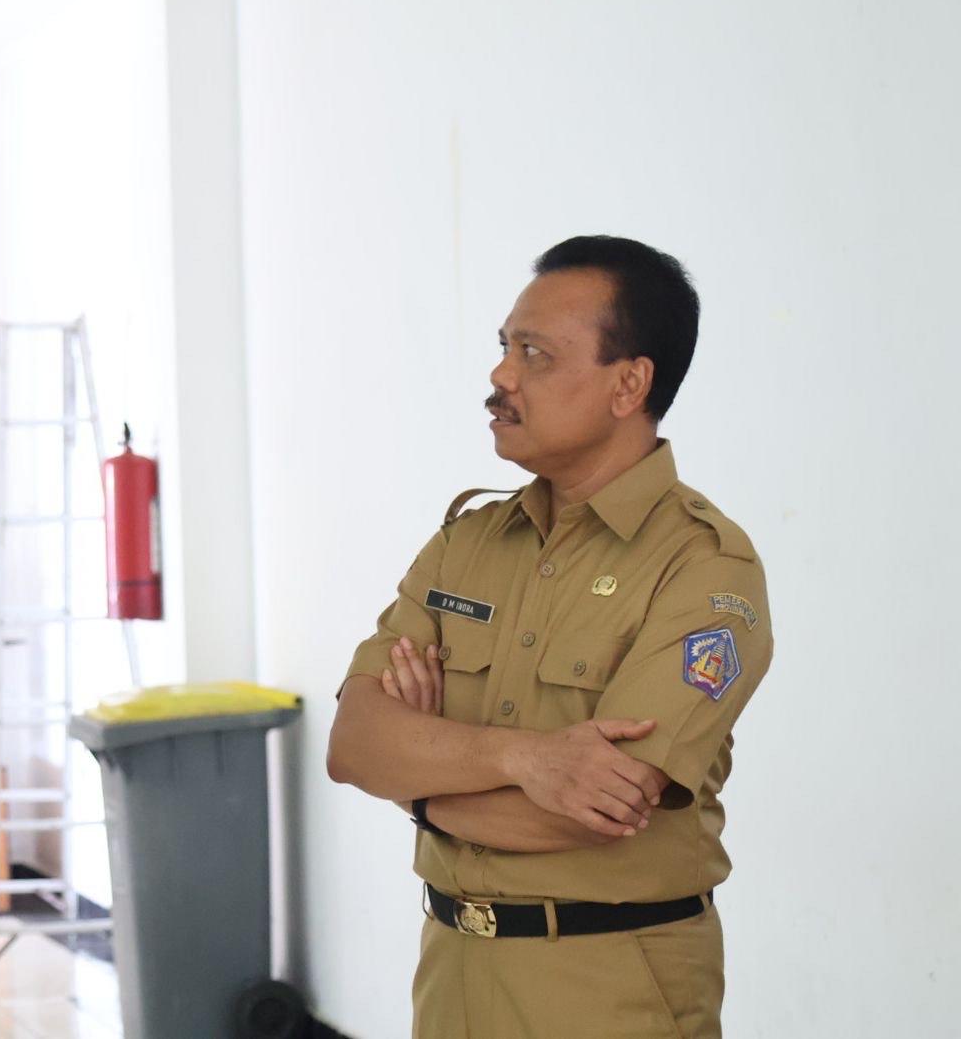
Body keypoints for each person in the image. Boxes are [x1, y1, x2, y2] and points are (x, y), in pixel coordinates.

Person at [328, 236, 772, 1039]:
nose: (502, 375)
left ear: (628, 384)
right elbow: (354, 743)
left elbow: (595, 812)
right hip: (452, 974)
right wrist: (524, 761)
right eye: (505, 347)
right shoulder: (467, 543)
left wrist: (417, 779)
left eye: (535, 354)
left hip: (610, 987)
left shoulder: (705, 569)